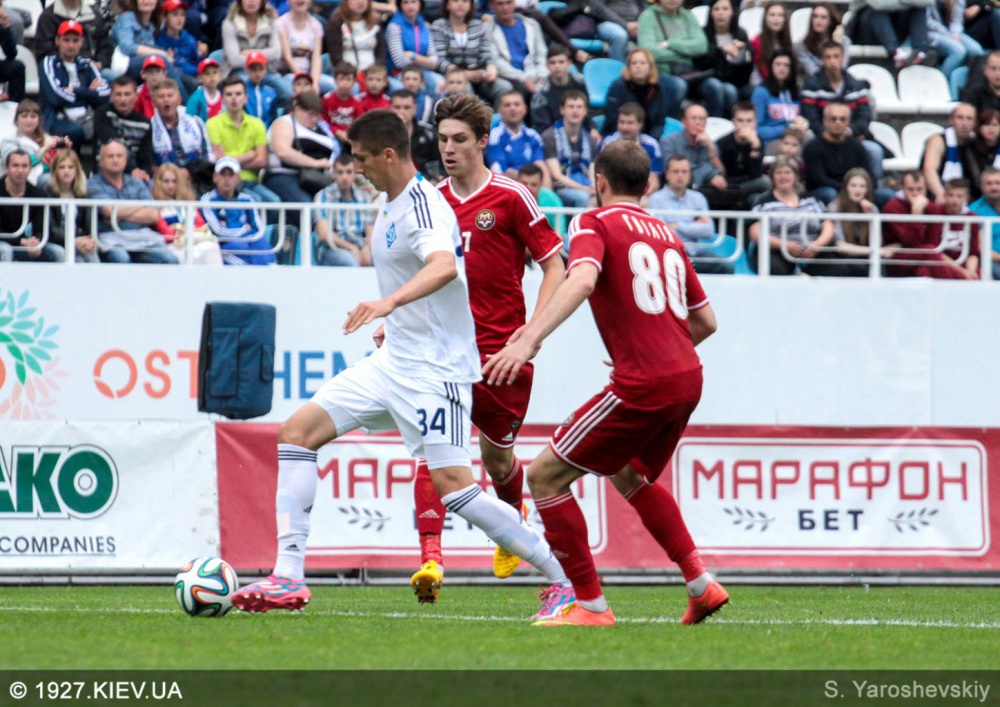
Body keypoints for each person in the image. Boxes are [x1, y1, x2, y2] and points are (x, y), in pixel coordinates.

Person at [230, 109, 573, 618]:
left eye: (362, 159)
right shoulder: (391, 203)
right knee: (296, 433)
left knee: (456, 489)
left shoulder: (425, 206)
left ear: (388, 155)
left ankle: (564, 577)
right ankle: (289, 577)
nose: (357, 168)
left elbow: (443, 266)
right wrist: (396, 319)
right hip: (393, 362)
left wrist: (388, 304)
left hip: (436, 372)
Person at [482, 140, 728, 627]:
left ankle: (591, 606)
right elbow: (706, 322)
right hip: (688, 377)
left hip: (645, 381)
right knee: (629, 474)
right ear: (649, 185)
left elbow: (580, 280)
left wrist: (528, 338)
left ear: (599, 182)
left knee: (544, 476)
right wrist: (658, 346)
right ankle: (700, 583)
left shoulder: (593, 221)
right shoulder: (667, 233)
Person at [406, 94, 568, 597]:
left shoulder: (512, 196)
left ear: (482, 141)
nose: (448, 149)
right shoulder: (430, 200)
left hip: (501, 356)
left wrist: (532, 332)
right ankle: (431, 560)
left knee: (498, 460)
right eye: (442, 139)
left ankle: (512, 518)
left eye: (459, 139)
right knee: (433, 453)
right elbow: (418, 272)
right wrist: (398, 319)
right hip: (441, 354)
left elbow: (555, 265)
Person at [801, 41, 884, 188]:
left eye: (836, 56)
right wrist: (829, 132)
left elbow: (865, 117)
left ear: (843, 58)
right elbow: (810, 117)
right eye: (828, 57)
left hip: (852, 137)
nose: (832, 61)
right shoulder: (811, 86)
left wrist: (850, 131)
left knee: (874, 150)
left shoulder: (857, 85)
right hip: (822, 137)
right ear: (821, 60)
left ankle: (873, 191)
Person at [86, 139, 179, 264]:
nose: (115, 160)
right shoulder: (92, 183)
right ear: (101, 161)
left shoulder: (137, 183)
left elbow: (153, 215)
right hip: (108, 237)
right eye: (110, 156)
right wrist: (139, 206)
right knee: (121, 259)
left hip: (141, 237)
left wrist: (118, 214)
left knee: (170, 259)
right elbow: (108, 211)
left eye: (119, 156)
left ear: (126, 160)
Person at [747, 154, 840, 276]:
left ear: (795, 176)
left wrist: (817, 245)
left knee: (840, 269)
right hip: (776, 251)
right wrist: (785, 245)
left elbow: (827, 225)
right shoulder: (763, 201)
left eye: (787, 172)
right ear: (772, 177)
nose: (783, 177)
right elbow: (755, 233)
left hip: (812, 250)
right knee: (775, 270)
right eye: (779, 173)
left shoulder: (810, 199)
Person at [648, 153, 735, 274]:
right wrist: (694, 224)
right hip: (670, 255)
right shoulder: (656, 199)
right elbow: (663, 234)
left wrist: (678, 225)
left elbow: (709, 230)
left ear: (689, 175)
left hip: (695, 254)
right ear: (667, 174)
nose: (680, 175)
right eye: (676, 171)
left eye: (684, 172)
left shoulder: (698, 198)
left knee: (727, 267)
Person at [882, 170, 979, 279]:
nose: (915, 194)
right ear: (902, 188)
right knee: (929, 252)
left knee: (925, 269)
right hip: (900, 256)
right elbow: (911, 242)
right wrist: (916, 213)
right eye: (910, 189)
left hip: (932, 257)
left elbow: (973, 252)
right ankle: (959, 282)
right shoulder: (893, 207)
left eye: (919, 189)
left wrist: (971, 272)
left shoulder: (931, 207)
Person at [638, 0, 725, 116]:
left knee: (714, 86)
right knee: (678, 86)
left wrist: (670, 44)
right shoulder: (648, 17)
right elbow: (648, 52)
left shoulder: (688, 16)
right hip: (660, 73)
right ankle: (669, 125)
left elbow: (701, 46)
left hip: (688, 73)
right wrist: (685, 53)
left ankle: (714, 126)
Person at [207, 75, 282, 205]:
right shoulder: (212, 124)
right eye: (229, 94)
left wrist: (230, 161)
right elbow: (220, 161)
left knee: (275, 203)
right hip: (227, 182)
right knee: (256, 201)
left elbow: (262, 161)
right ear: (223, 99)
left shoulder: (257, 124)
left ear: (245, 98)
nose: (234, 98)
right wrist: (250, 155)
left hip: (251, 181)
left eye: (238, 94)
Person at [264, 90, 340, 217]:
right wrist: (315, 163)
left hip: (319, 178)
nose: (315, 119)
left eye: (317, 115)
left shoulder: (323, 128)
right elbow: (282, 151)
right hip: (285, 176)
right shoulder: (285, 122)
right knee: (308, 210)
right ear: (298, 109)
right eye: (311, 114)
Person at [40, 20, 111, 150]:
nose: (71, 45)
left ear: (81, 42)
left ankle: (98, 163)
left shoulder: (87, 64)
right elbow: (55, 97)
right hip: (58, 118)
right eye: (66, 40)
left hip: (87, 116)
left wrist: (76, 90)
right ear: (57, 40)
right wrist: (90, 93)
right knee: (74, 131)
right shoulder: (48, 63)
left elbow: (106, 93)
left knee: (108, 124)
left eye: (75, 40)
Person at [200, 156, 282, 265]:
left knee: (264, 247)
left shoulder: (247, 199)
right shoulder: (208, 200)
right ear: (215, 177)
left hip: (249, 241)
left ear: (238, 178)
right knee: (242, 252)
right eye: (223, 174)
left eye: (231, 174)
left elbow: (257, 228)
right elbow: (217, 231)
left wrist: (230, 227)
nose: (227, 179)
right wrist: (244, 228)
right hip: (224, 246)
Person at [603, 47, 686, 141]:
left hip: (648, 138)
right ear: (628, 67)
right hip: (620, 137)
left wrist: (651, 140)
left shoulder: (657, 88)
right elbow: (612, 120)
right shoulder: (617, 87)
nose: (638, 66)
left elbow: (659, 122)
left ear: (650, 67)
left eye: (642, 63)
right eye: (634, 63)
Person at [803, 102, 876, 205]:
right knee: (830, 193)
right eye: (833, 119)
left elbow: (868, 174)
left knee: (884, 195)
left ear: (848, 122)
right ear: (825, 121)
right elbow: (818, 179)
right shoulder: (812, 147)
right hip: (824, 191)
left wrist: (860, 189)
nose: (838, 122)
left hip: (855, 189)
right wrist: (848, 189)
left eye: (842, 119)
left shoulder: (856, 146)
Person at [430, 0, 504, 103]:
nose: (460, 4)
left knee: (504, 88)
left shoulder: (477, 25)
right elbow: (439, 59)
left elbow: (487, 53)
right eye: (456, 1)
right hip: (452, 75)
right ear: (448, 5)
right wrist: (464, 74)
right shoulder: (439, 26)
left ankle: (497, 114)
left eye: (465, 1)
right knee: (464, 88)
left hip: (478, 72)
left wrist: (491, 69)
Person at [150, 161, 224, 265]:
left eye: (174, 181)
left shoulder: (187, 201)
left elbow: (201, 225)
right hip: (172, 245)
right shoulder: (154, 204)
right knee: (190, 253)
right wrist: (185, 231)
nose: (171, 185)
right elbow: (165, 233)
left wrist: (179, 227)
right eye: (166, 181)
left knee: (211, 246)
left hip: (193, 240)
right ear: (159, 182)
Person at [111, 0, 187, 98]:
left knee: (190, 82)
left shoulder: (154, 22)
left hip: (146, 64)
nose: (146, 1)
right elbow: (127, 47)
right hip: (125, 64)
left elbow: (149, 47)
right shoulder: (127, 18)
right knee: (162, 59)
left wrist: (164, 52)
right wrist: (161, 53)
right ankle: (182, 103)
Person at [150, 78, 214, 195]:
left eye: (170, 95)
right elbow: (149, 164)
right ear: (154, 102)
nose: (166, 100)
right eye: (161, 96)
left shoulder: (195, 122)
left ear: (179, 100)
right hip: (164, 183)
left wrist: (191, 172)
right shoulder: (150, 127)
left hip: (195, 179)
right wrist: (175, 174)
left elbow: (207, 156)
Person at [0, 151, 64, 263]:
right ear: (6, 168)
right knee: (5, 250)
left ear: (30, 169)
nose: (20, 170)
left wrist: (36, 242)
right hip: (5, 243)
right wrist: (21, 241)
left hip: (25, 244)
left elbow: (42, 227)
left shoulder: (37, 194)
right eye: (15, 166)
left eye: (24, 166)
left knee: (58, 252)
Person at [312, 153, 374, 266]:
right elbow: (324, 234)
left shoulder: (365, 197)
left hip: (360, 246)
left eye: (349, 172)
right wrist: (351, 248)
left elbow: (370, 230)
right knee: (351, 263)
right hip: (331, 248)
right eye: (340, 172)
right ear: (334, 174)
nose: (344, 177)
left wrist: (366, 248)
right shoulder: (323, 196)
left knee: (382, 260)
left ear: (355, 173)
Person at [221, 0, 290, 101]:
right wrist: (264, 53)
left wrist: (249, 53)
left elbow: (276, 53)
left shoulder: (271, 20)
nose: (251, 1)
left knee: (288, 93)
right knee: (245, 92)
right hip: (240, 72)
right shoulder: (229, 23)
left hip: (265, 70)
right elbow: (235, 60)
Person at [659, 102, 725, 205]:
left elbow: (721, 173)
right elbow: (672, 171)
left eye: (701, 119)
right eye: (694, 118)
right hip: (676, 192)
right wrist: (709, 173)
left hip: (704, 193)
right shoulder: (669, 141)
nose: (698, 123)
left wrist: (711, 148)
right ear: (684, 122)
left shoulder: (710, 143)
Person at [93, 75, 154, 183]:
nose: (123, 99)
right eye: (118, 94)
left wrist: (144, 174)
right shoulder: (102, 114)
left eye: (127, 94)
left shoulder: (144, 124)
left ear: (136, 96)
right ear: (111, 96)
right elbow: (113, 142)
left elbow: (145, 158)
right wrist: (133, 170)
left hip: (134, 178)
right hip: (104, 176)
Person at [826, 167, 887, 274]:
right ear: (846, 187)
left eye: (862, 186)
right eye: (853, 186)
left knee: (879, 264)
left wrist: (871, 218)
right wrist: (873, 251)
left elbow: (877, 243)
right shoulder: (835, 207)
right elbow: (840, 246)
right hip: (841, 258)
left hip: (864, 255)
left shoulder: (872, 208)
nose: (857, 190)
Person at [483, 0, 549, 100]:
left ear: (514, 3)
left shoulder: (532, 24)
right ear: (491, 6)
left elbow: (541, 53)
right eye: (500, 4)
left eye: (508, 3)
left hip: (534, 72)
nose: (505, 7)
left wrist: (542, 75)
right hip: (509, 76)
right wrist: (524, 79)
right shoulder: (486, 29)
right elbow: (496, 61)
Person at [542, 89, 597, 209]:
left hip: (584, 184)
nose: (575, 111)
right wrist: (584, 189)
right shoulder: (550, 136)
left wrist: (594, 187)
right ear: (562, 110)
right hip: (560, 188)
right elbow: (556, 175)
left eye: (579, 107)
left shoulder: (590, 139)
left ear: (585, 112)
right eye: (571, 107)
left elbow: (592, 170)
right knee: (583, 197)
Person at [693, 0, 753, 106]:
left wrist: (742, 53)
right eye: (716, 9)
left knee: (751, 90)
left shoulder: (740, 34)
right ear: (711, 13)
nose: (720, 13)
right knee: (727, 90)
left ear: (732, 12)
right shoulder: (702, 34)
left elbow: (747, 68)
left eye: (725, 9)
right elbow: (700, 62)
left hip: (735, 80)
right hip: (708, 80)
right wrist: (721, 51)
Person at [713, 100, 771, 209]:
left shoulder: (758, 142)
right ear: (733, 122)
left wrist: (755, 146)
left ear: (755, 122)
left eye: (749, 121)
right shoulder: (722, 143)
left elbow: (755, 174)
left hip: (749, 187)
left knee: (755, 198)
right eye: (740, 120)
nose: (744, 124)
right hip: (727, 186)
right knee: (765, 182)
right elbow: (723, 173)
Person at [46, 148, 100, 263]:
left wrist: (87, 241)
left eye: (70, 167)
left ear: (77, 170)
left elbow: (89, 226)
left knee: (91, 255)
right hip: (54, 242)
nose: (66, 171)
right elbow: (50, 229)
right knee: (63, 254)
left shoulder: (84, 194)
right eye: (62, 167)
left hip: (78, 240)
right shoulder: (46, 193)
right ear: (55, 171)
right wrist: (73, 241)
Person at [0, 100, 67, 187]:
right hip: (18, 184)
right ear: (16, 120)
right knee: (48, 179)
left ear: (39, 120)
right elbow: (17, 165)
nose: (29, 120)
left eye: (33, 116)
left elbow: (56, 166)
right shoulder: (8, 141)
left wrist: (64, 150)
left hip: (43, 180)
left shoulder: (47, 139)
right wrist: (45, 148)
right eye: (24, 116)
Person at [487, 91, 549, 185]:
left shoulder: (533, 135)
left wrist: (546, 191)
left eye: (516, 104)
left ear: (525, 109)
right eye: (507, 105)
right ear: (499, 111)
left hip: (534, 186)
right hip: (509, 187)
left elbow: (541, 168)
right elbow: (499, 173)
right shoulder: (495, 136)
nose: (512, 108)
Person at [529, 44, 592, 135]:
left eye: (561, 62)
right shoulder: (541, 91)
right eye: (553, 63)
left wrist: (592, 129)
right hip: (552, 135)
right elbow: (542, 126)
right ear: (547, 65)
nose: (557, 66)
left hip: (580, 131)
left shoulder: (580, 81)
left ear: (569, 64)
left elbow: (586, 111)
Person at [603, 102, 664, 195]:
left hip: (641, 194)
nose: (625, 127)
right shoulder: (608, 143)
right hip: (612, 193)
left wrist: (637, 197)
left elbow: (654, 182)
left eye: (630, 123)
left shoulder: (651, 146)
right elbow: (601, 175)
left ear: (640, 124)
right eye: (621, 122)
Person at [752, 50, 810, 146]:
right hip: (772, 141)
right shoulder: (761, 92)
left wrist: (802, 124)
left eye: (786, 65)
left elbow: (799, 120)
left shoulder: (795, 92)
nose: (782, 68)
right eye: (778, 64)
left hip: (795, 139)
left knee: (810, 137)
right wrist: (786, 128)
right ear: (771, 66)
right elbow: (756, 128)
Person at [34, 0, 114, 71]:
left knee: (112, 77)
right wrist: (77, 64)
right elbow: (45, 52)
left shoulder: (94, 15)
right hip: (61, 71)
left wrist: (100, 63)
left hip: (95, 70)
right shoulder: (48, 17)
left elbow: (105, 46)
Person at [849, 0, 931, 68]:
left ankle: (921, 52)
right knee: (874, 11)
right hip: (866, 31)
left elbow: (928, 1)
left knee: (919, 9)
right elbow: (878, 4)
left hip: (894, 27)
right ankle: (896, 53)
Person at [922, 102, 978, 203]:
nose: (964, 123)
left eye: (969, 119)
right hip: (938, 197)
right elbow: (929, 170)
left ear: (975, 123)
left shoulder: (975, 143)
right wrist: (941, 194)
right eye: (960, 118)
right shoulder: (938, 141)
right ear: (951, 120)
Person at [386, 0, 444, 94]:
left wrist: (413, 56)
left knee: (440, 83)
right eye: (405, 2)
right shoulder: (394, 26)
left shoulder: (424, 25)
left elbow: (434, 62)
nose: (410, 6)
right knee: (419, 87)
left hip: (422, 71)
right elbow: (400, 62)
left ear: (420, 4)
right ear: (400, 6)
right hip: (399, 73)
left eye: (414, 2)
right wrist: (425, 61)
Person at [276, 0, 334, 95]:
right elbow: (287, 57)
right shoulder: (281, 23)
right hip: (287, 73)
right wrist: (304, 80)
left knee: (334, 86)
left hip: (308, 73)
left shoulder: (316, 25)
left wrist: (314, 82)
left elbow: (316, 58)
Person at [323, 0, 387, 82]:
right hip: (347, 76)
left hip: (373, 75)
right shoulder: (336, 23)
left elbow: (381, 53)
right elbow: (336, 57)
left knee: (396, 86)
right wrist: (353, 75)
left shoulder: (375, 21)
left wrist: (373, 73)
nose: (361, 2)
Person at [926, 0, 986, 80]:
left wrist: (955, 35)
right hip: (930, 33)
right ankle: (942, 80)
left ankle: (973, 82)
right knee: (958, 51)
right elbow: (928, 22)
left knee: (977, 51)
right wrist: (949, 36)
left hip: (953, 32)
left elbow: (957, 21)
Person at [155, 0, 203, 96]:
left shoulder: (190, 39)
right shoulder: (158, 40)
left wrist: (200, 55)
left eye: (182, 15)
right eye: (175, 14)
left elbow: (198, 62)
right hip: (171, 79)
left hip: (192, 76)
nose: (179, 19)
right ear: (165, 17)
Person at [389, 89, 441, 175]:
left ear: (414, 109)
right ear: (390, 108)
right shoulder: (381, 135)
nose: (402, 112)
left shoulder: (429, 134)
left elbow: (439, 163)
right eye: (397, 107)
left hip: (425, 179)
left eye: (407, 107)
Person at [795, 2, 850, 77]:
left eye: (823, 17)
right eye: (815, 16)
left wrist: (836, 45)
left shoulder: (844, 42)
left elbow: (841, 70)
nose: (818, 20)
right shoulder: (801, 45)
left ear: (831, 21)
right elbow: (814, 73)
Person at [517, 162, 565, 241]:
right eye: (524, 183)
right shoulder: (507, 198)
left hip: (545, 244)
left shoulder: (552, 199)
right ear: (517, 182)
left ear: (541, 184)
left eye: (534, 185)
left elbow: (560, 234)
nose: (528, 188)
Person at [969, 165, 1000, 278]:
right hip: (991, 261)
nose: (994, 187)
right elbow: (978, 246)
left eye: (997, 183)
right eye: (989, 183)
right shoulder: (973, 211)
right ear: (981, 187)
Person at [323, 61, 363, 146]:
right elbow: (323, 123)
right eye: (341, 79)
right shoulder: (327, 99)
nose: (345, 83)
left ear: (354, 82)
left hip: (350, 137)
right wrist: (336, 131)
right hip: (332, 136)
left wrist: (350, 135)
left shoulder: (357, 102)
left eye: (348, 79)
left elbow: (359, 124)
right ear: (335, 80)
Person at [751, 1, 792, 81]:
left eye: (780, 15)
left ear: (784, 19)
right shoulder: (757, 41)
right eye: (772, 15)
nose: (776, 19)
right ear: (765, 18)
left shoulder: (787, 41)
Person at [964, 108, 1000, 198]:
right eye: (986, 124)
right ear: (979, 127)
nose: (991, 128)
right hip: (975, 195)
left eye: (995, 125)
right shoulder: (969, 148)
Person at [243, 52, 280, 128]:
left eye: (261, 69)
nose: (257, 73)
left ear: (266, 70)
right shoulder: (242, 91)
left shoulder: (271, 93)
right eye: (253, 69)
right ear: (246, 70)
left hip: (267, 131)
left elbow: (273, 118)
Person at [186, 58, 224, 123]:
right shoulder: (195, 98)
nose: (212, 76)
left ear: (220, 76)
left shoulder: (224, 96)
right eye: (207, 73)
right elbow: (189, 120)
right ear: (200, 78)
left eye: (215, 72)